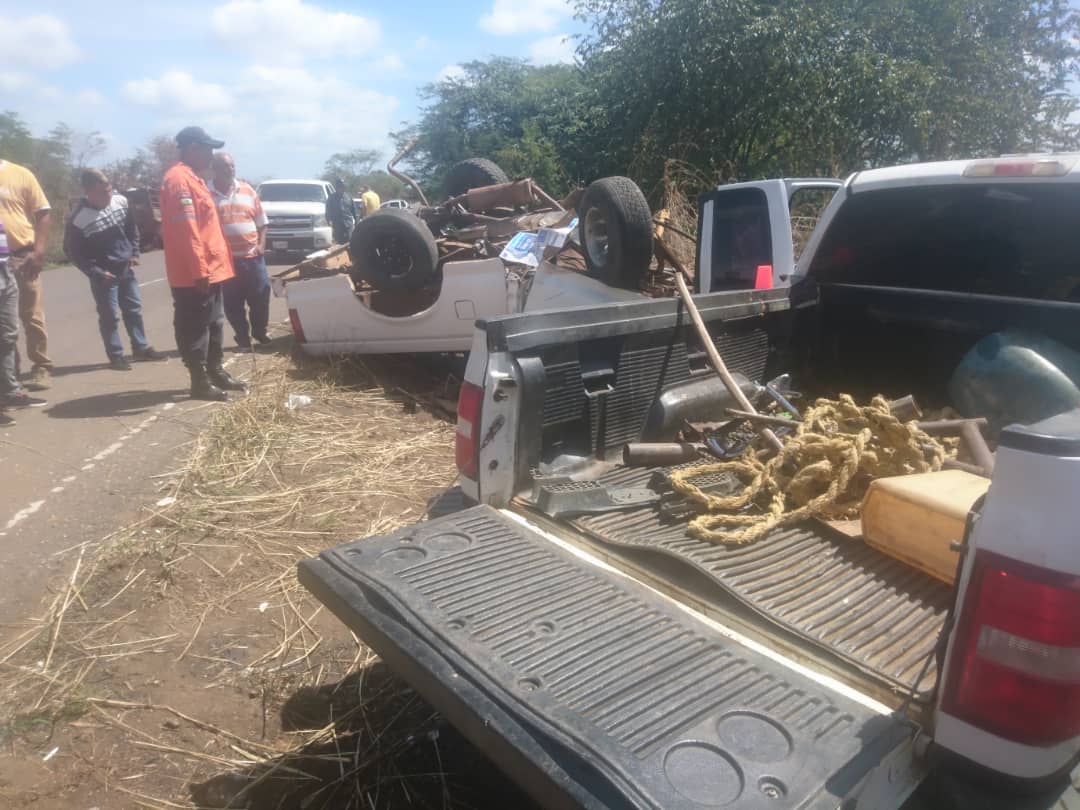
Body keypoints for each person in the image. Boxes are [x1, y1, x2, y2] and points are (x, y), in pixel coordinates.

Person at [160, 126, 246, 401]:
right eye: (208, 149)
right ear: (193, 148)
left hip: (211, 269)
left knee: (214, 323)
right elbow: (187, 230)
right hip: (195, 274)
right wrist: (199, 270)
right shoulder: (178, 181)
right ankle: (199, 381)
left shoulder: (193, 178)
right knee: (195, 327)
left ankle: (215, 371)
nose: (211, 155)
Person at [64, 169, 166, 370]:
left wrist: (134, 252)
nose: (108, 195)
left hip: (125, 268)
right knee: (109, 316)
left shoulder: (120, 202)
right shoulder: (78, 219)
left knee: (134, 309)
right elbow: (73, 252)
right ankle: (116, 355)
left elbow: (131, 229)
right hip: (103, 276)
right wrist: (96, 272)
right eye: (102, 192)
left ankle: (140, 348)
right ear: (88, 192)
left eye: (109, 189)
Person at [0, 159, 53, 390]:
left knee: (32, 315)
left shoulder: (20, 174)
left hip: (23, 257)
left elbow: (43, 212)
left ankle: (41, 366)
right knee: (3, 322)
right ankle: (10, 372)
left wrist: (38, 251)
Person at [210, 153, 270, 349]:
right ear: (215, 169)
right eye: (225, 167)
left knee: (261, 296)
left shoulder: (247, 190)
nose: (230, 170)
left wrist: (261, 245)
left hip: (253, 257)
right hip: (226, 262)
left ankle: (260, 332)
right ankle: (242, 336)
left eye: (232, 166)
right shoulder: (205, 193)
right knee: (233, 303)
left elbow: (262, 223)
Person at [325, 178, 356, 244]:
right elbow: (328, 211)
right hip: (337, 225)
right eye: (340, 187)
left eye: (343, 187)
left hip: (348, 224)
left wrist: (357, 222)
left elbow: (354, 211)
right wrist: (329, 221)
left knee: (350, 242)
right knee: (339, 243)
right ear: (337, 187)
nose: (342, 189)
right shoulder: (331, 198)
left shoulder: (349, 197)